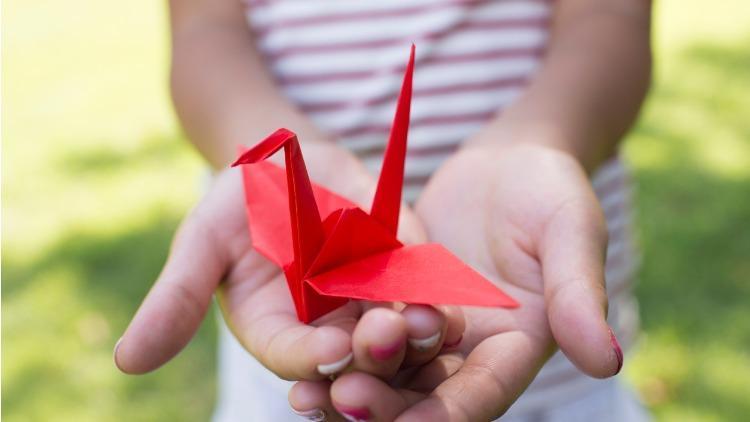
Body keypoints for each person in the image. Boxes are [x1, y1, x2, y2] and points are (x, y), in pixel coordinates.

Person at [115, 0, 652, 420]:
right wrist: (261, 153)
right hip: (286, 358)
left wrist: (541, 139)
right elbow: (204, 29)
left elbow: (610, 16)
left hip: (543, 359)